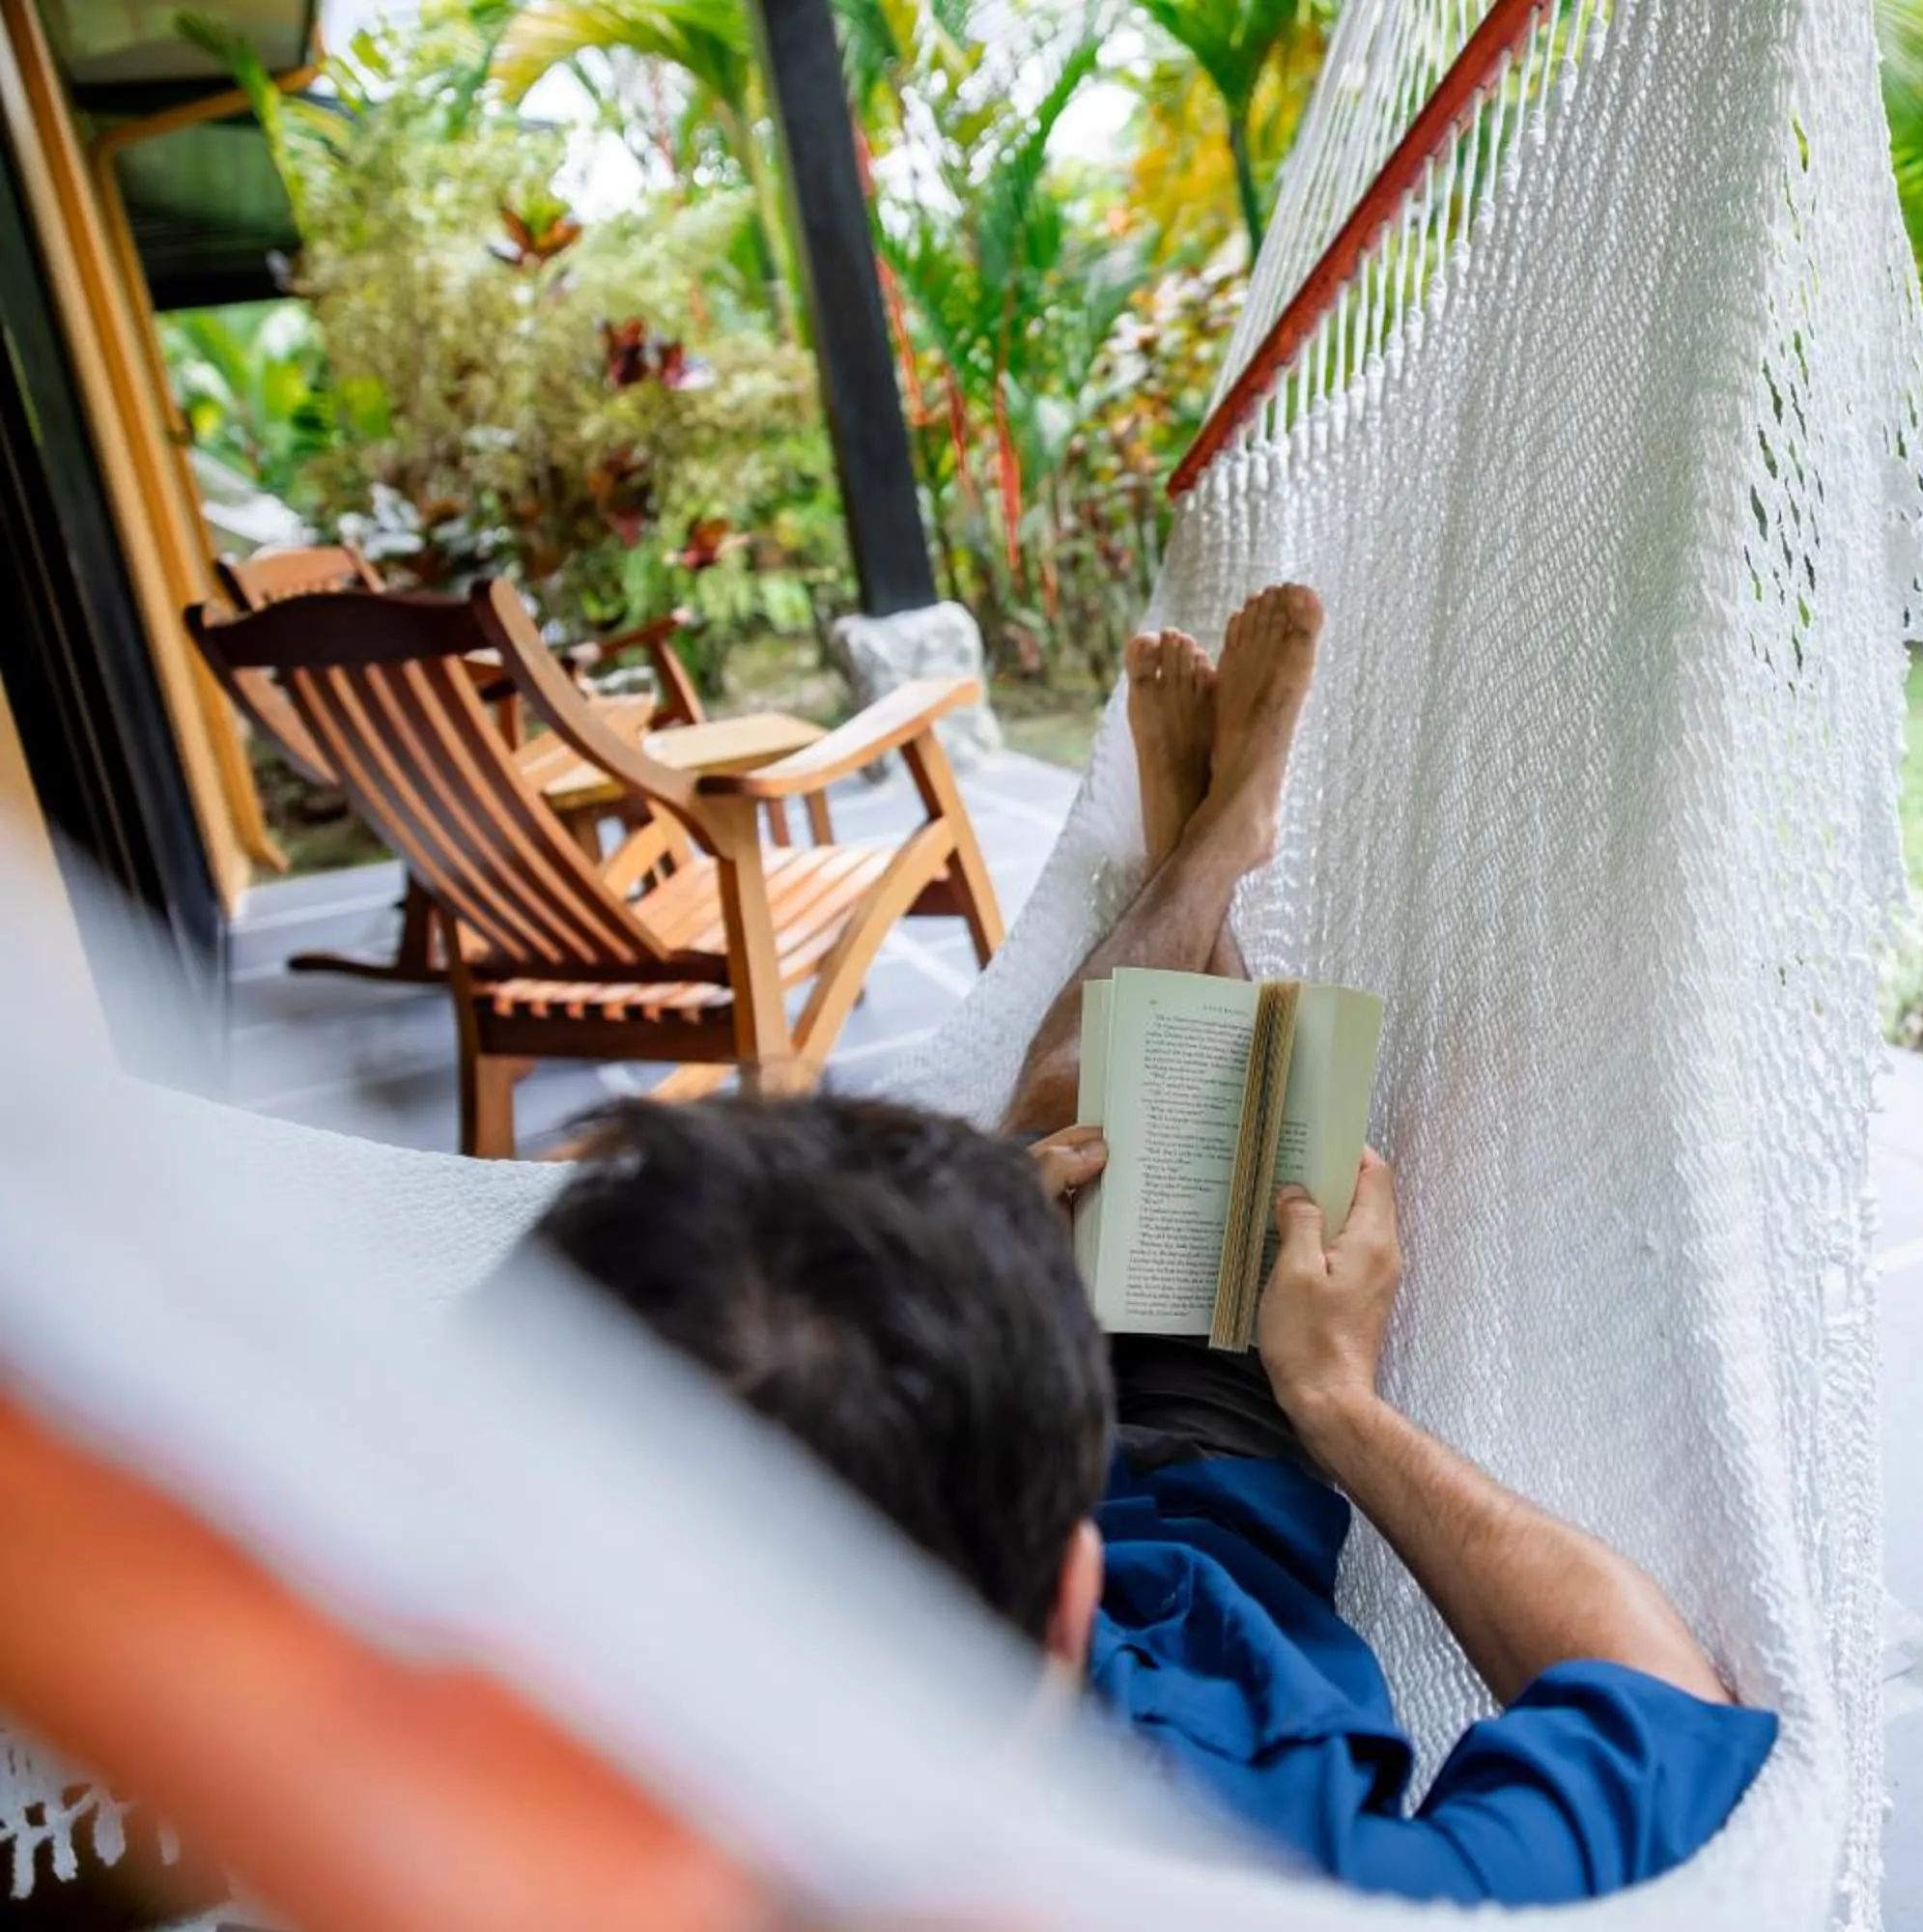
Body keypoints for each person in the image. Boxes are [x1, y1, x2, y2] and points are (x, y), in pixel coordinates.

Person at [527, 584, 1776, 1905]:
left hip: (994, 1457)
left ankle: (1206, 852)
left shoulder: (525, 1796)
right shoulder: (1275, 1869)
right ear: (1075, 1594)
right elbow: (1663, 1698)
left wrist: (996, 1217)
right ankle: (1213, 856)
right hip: (1213, 1485)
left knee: (1066, 1124)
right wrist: (1339, 1401)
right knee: (1153, 1118)